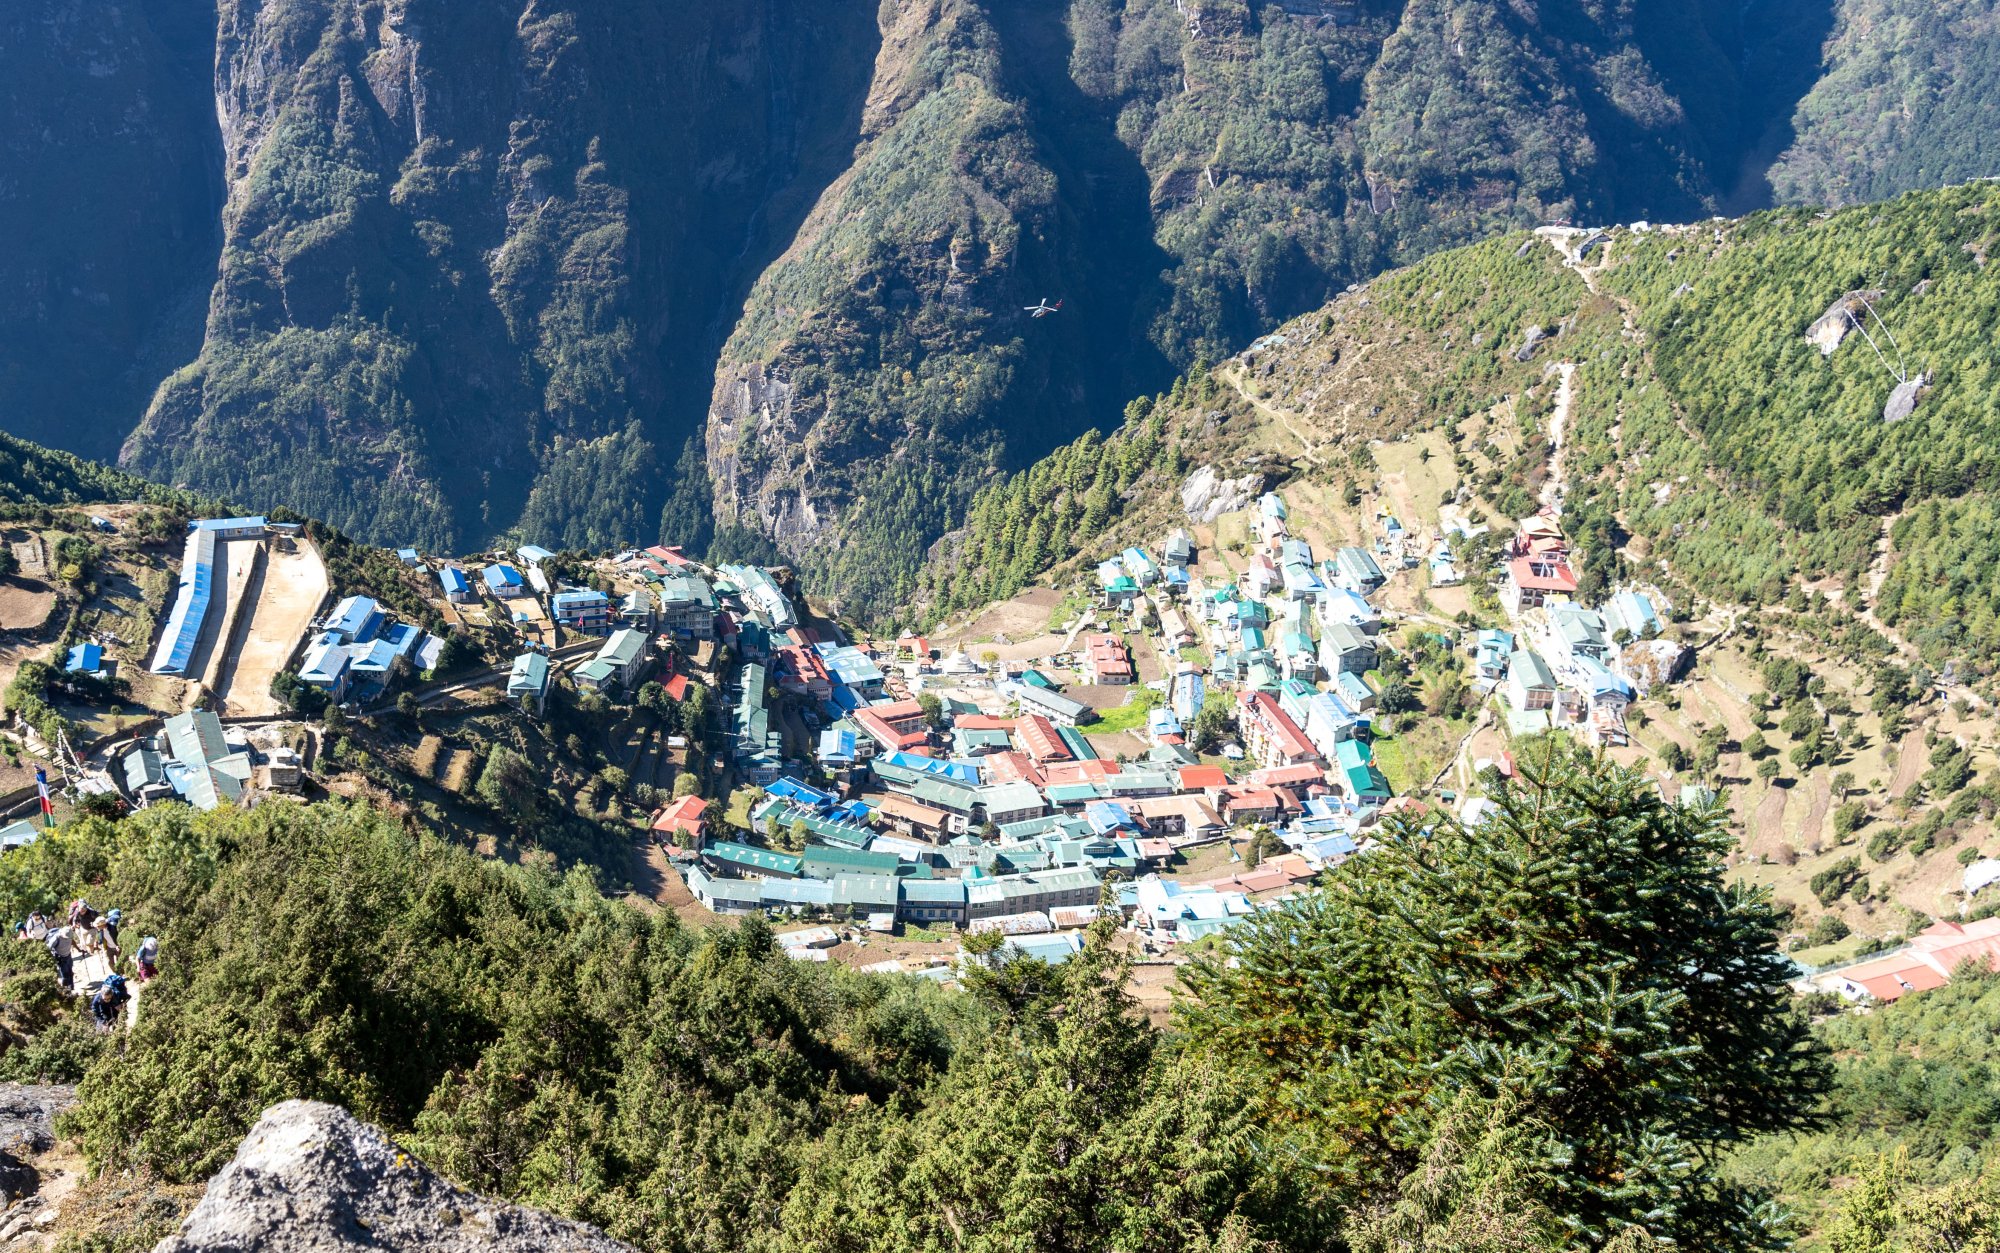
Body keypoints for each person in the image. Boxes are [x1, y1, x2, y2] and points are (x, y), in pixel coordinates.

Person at [45, 926, 74, 994]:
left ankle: (71, 988)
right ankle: (66, 991)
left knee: (70, 972)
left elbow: (72, 941)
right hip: (61, 958)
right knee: (65, 975)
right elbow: (48, 948)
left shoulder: (69, 934)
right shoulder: (56, 938)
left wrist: (78, 949)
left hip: (68, 956)